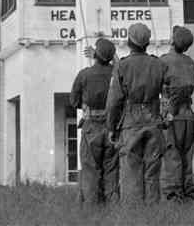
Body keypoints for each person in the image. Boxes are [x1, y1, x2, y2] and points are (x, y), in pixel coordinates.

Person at [105, 22, 165, 204]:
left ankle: (134, 218)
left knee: (131, 174)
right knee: (152, 173)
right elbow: (169, 93)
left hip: (130, 124)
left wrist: (111, 128)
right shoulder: (158, 64)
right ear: (147, 43)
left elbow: (114, 101)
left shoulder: (122, 66)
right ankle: (153, 218)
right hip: (154, 121)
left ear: (129, 41)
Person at [70, 37, 119, 204]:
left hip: (91, 127)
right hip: (113, 127)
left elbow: (74, 101)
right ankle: (113, 211)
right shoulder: (117, 74)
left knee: (90, 170)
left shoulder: (84, 75)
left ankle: (92, 211)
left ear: (95, 56)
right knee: (111, 171)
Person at [159, 25, 194, 201]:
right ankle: (189, 195)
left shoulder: (164, 61)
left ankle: (174, 197)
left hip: (171, 116)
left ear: (173, 41)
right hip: (189, 116)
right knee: (186, 158)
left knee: (172, 156)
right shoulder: (190, 63)